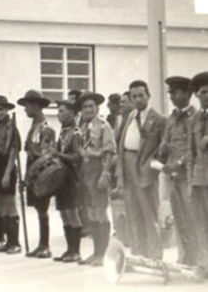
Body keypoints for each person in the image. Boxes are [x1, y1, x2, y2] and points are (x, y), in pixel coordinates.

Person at [114, 80, 166, 260]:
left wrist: (152, 170)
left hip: (144, 169)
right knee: (132, 212)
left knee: (148, 212)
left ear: (148, 96)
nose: (137, 99)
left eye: (141, 95)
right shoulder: (130, 116)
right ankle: (138, 253)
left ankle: (154, 255)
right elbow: (121, 143)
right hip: (128, 166)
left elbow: (163, 150)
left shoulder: (159, 119)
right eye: (134, 96)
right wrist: (120, 172)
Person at [157, 76, 199, 267]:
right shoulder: (172, 117)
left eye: (175, 92)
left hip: (188, 175)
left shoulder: (195, 117)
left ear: (188, 94)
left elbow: (194, 148)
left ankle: (199, 260)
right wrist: (160, 159)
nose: (172, 96)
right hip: (172, 175)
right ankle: (184, 257)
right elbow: (165, 142)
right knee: (179, 219)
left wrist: (179, 163)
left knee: (193, 219)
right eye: (171, 93)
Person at [78, 91, 116, 266]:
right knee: (91, 211)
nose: (87, 109)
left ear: (97, 108)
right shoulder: (83, 127)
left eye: (90, 106)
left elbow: (109, 152)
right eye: (84, 107)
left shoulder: (103, 126)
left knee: (100, 210)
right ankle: (95, 252)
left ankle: (104, 254)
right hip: (86, 169)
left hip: (98, 168)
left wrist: (105, 173)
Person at [18, 89, 55, 259]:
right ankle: (41, 244)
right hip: (32, 172)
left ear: (35, 106)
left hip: (41, 174)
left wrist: (33, 175)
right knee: (39, 209)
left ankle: (45, 245)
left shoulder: (45, 129)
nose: (25, 110)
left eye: (27, 106)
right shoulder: (33, 127)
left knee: (43, 209)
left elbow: (44, 155)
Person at [51, 99, 84, 263]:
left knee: (72, 212)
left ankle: (76, 251)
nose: (59, 115)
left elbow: (78, 157)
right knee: (63, 213)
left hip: (72, 177)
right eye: (58, 111)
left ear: (72, 113)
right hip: (61, 178)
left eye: (63, 111)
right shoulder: (63, 132)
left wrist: (57, 155)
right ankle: (69, 249)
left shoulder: (76, 133)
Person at [0, 95, 22, 254]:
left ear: (8, 109)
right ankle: (5, 240)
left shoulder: (11, 127)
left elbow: (14, 151)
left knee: (9, 204)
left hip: (6, 166)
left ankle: (15, 242)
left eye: (2, 109)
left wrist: (7, 174)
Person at [187, 71, 208, 272]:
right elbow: (191, 152)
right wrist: (190, 181)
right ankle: (204, 263)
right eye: (203, 92)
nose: (207, 96)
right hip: (199, 179)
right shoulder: (194, 120)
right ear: (197, 95)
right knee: (201, 224)